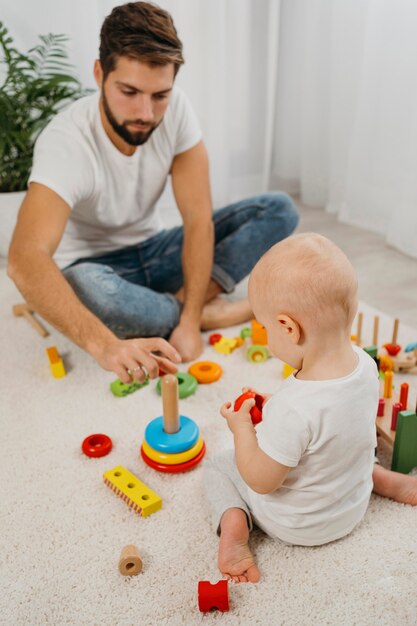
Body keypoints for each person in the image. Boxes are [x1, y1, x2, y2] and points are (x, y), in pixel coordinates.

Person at [7, 1, 299, 385]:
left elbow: (198, 221)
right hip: (100, 267)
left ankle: (181, 308)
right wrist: (104, 345)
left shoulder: (176, 110)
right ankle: (215, 309)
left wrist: (191, 321)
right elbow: (24, 259)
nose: (146, 112)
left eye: (160, 95)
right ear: (100, 73)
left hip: (157, 248)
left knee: (278, 210)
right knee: (84, 290)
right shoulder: (66, 142)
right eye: (129, 91)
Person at [204, 233, 417, 584]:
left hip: (298, 525)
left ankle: (234, 531)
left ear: (288, 327)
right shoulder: (365, 366)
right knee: (350, 439)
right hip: (352, 507)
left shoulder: (293, 409)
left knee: (219, 466)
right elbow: (329, 422)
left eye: (265, 326)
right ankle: (385, 481)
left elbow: (261, 481)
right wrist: (273, 408)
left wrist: (242, 428)